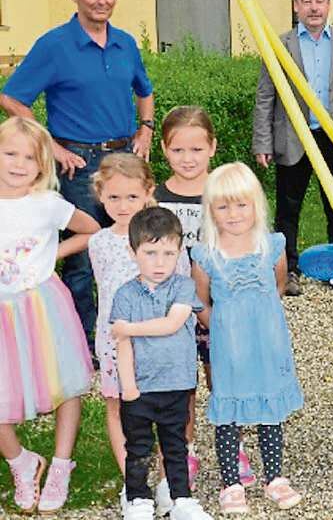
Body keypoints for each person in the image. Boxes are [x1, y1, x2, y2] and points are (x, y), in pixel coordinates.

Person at [0, 0, 155, 346]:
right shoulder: (54, 45)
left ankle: (135, 328)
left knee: (133, 242)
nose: (101, 0)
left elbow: (145, 91)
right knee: (85, 257)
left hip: (125, 160)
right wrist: (51, 146)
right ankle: (85, 342)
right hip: (80, 164)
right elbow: (11, 97)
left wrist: (147, 129)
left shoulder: (125, 43)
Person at [190, 163, 305, 513]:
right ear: (211, 211)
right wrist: (223, 328)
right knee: (229, 412)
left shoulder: (271, 246)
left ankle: (275, 477)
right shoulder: (206, 255)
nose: (233, 214)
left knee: (270, 409)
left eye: (241, 204)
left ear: (256, 204)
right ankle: (231, 483)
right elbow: (200, 301)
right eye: (223, 206)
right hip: (229, 350)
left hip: (268, 344)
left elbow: (278, 286)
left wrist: (260, 322)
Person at [0, 116, 99, 513]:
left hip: (41, 307)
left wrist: (51, 255)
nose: (19, 164)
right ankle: (22, 462)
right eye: (10, 153)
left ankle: (61, 463)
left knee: (65, 384)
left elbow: (91, 229)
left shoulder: (47, 205)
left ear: (43, 165)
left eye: (30, 157)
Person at [253, 0, 333, 296]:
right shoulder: (280, 45)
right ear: (296, 6)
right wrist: (262, 141)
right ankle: (288, 270)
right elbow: (266, 96)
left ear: (329, 5)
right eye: (306, 0)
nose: (313, 7)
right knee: (288, 209)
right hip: (295, 139)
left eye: (319, 0)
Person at [155, 106, 253, 487]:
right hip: (172, 311)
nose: (188, 159)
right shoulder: (157, 199)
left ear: (213, 147)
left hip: (220, 307)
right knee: (181, 387)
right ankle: (185, 452)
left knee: (225, 379)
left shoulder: (223, 195)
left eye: (196, 149)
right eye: (178, 150)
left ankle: (235, 448)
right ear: (164, 150)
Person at [89, 153, 191, 511]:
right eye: (113, 197)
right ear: (100, 195)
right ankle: (133, 486)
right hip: (116, 340)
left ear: (149, 192)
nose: (122, 205)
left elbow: (183, 289)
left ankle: (168, 482)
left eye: (132, 197)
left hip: (162, 343)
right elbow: (104, 294)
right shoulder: (98, 243)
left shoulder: (167, 242)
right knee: (119, 408)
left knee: (171, 411)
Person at [109, 207, 213, 520]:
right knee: (138, 448)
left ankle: (181, 497)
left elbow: (172, 323)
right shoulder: (125, 294)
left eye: (168, 253)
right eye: (150, 253)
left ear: (179, 252)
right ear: (133, 251)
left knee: (176, 445)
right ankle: (138, 499)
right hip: (139, 387)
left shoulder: (182, 287)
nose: (159, 262)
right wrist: (127, 387)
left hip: (177, 385)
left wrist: (129, 328)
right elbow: (123, 346)